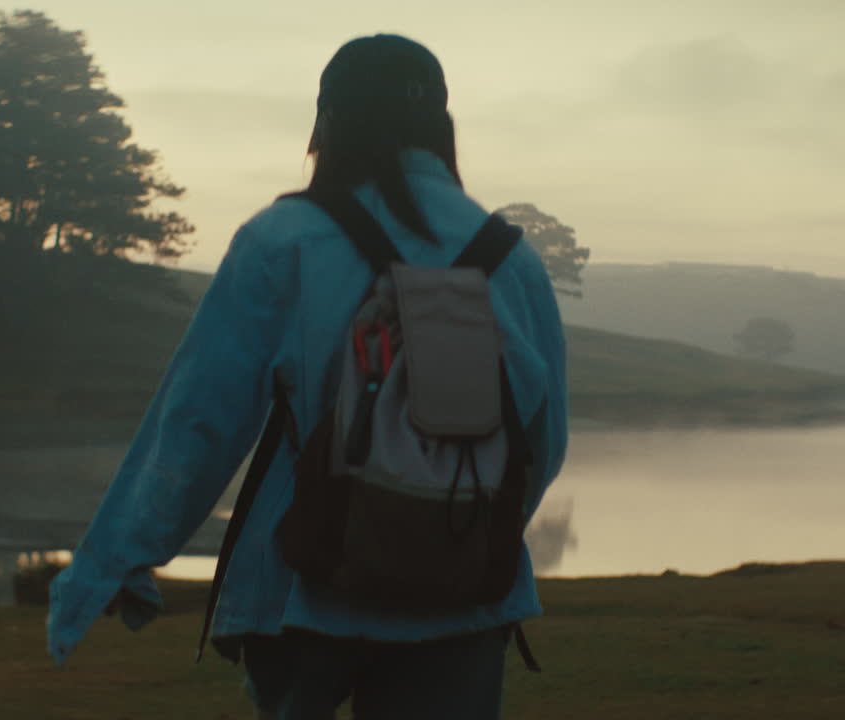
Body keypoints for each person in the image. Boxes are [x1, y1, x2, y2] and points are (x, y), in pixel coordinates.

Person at [48, 33, 568, 719]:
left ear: (328, 123)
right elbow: (543, 439)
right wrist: (454, 531)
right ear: (441, 127)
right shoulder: (511, 261)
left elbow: (200, 419)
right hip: (465, 595)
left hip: (302, 583)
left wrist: (119, 558)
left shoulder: (284, 239)